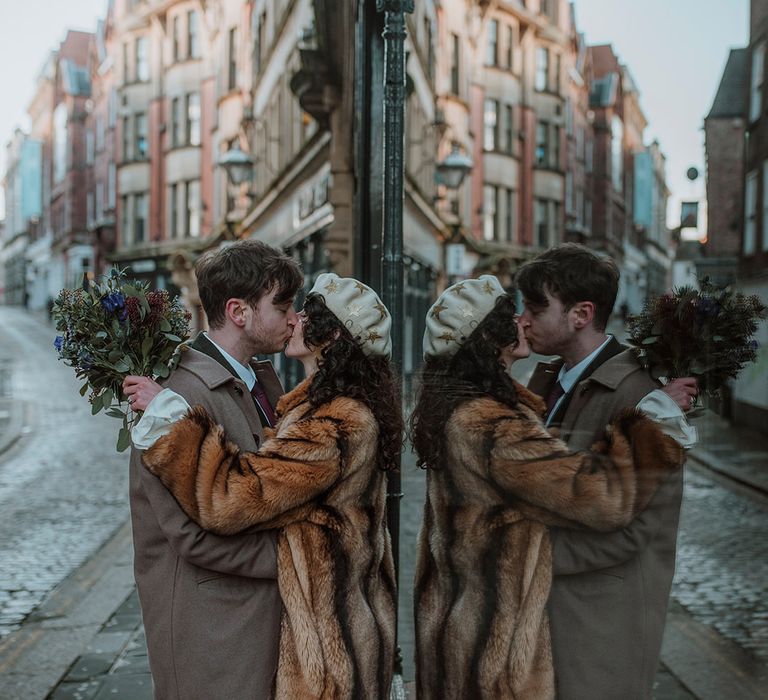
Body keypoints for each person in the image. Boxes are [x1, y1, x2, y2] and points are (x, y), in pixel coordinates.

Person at [411, 275, 687, 700]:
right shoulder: (493, 426)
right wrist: (654, 424)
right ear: (491, 339)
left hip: (461, 625)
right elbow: (602, 497)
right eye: (511, 317)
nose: (522, 322)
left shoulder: (458, 408)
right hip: (494, 645)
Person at [137, 273, 400, 700]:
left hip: (328, 644)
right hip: (336, 624)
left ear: (331, 337)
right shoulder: (320, 409)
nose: (294, 319)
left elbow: (231, 497)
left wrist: (171, 422)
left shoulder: (333, 424)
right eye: (289, 308)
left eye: (306, 313)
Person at [516, 243, 697, 699]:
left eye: (536, 307)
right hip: (546, 620)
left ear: (581, 314)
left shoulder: (640, 396)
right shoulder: (546, 379)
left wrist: (525, 552)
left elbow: (636, 529)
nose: (523, 319)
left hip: (599, 627)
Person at [124, 239, 302, 700]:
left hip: (248, 625)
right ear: (239, 311)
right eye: (282, 306)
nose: (293, 318)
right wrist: (298, 558)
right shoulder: (179, 396)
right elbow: (192, 536)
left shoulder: (253, 379)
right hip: (212, 638)